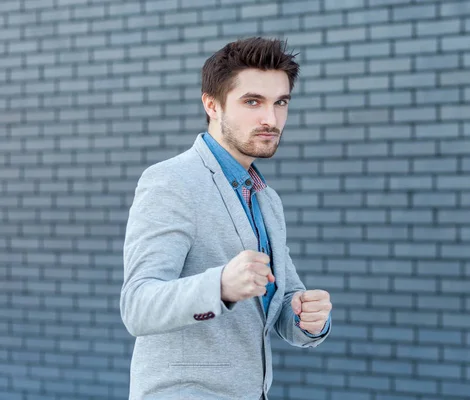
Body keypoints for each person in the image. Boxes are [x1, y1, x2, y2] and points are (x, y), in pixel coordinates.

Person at [120, 37, 332, 400]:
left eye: (280, 102)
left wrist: (307, 319)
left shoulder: (265, 198)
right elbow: (137, 306)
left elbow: (279, 304)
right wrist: (219, 286)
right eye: (253, 102)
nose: (271, 118)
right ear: (212, 105)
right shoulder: (172, 181)